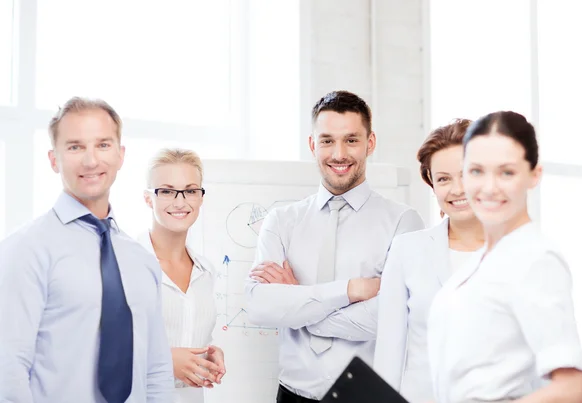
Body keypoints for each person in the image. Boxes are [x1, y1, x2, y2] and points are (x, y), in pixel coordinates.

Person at [245, 90, 424, 402]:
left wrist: (297, 306)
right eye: (327, 140)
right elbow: (261, 307)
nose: (339, 153)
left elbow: (387, 318)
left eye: (351, 140)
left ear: (370, 143)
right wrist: (351, 290)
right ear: (313, 145)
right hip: (292, 396)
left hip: (366, 396)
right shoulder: (282, 221)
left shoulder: (403, 222)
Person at [0, 97, 173, 402]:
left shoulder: (142, 260)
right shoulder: (25, 249)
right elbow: (8, 368)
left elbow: (156, 371)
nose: (91, 161)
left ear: (120, 155)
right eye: (75, 146)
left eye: (103, 145)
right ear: (54, 159)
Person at [427, 111, 582, 403]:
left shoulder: (536, 259)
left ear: (534, 175)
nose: (489, 187)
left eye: (507, 172)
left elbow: (570, 390)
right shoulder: (482, 261)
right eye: (476, 171)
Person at [374, 119, 485, 403]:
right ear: (432, 185)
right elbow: (389, 352)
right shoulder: (407, 250)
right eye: (444, 178)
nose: (457, 189)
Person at [138, 148, 225, 403]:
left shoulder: (206, 271)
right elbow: (97, 349)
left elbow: (187, 337)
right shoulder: (124, 265)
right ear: (147, 198)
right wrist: (164, 360)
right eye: (166, 191)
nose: (180, 201)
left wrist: (207, 354)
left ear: (200, 197)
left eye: (190, 190)